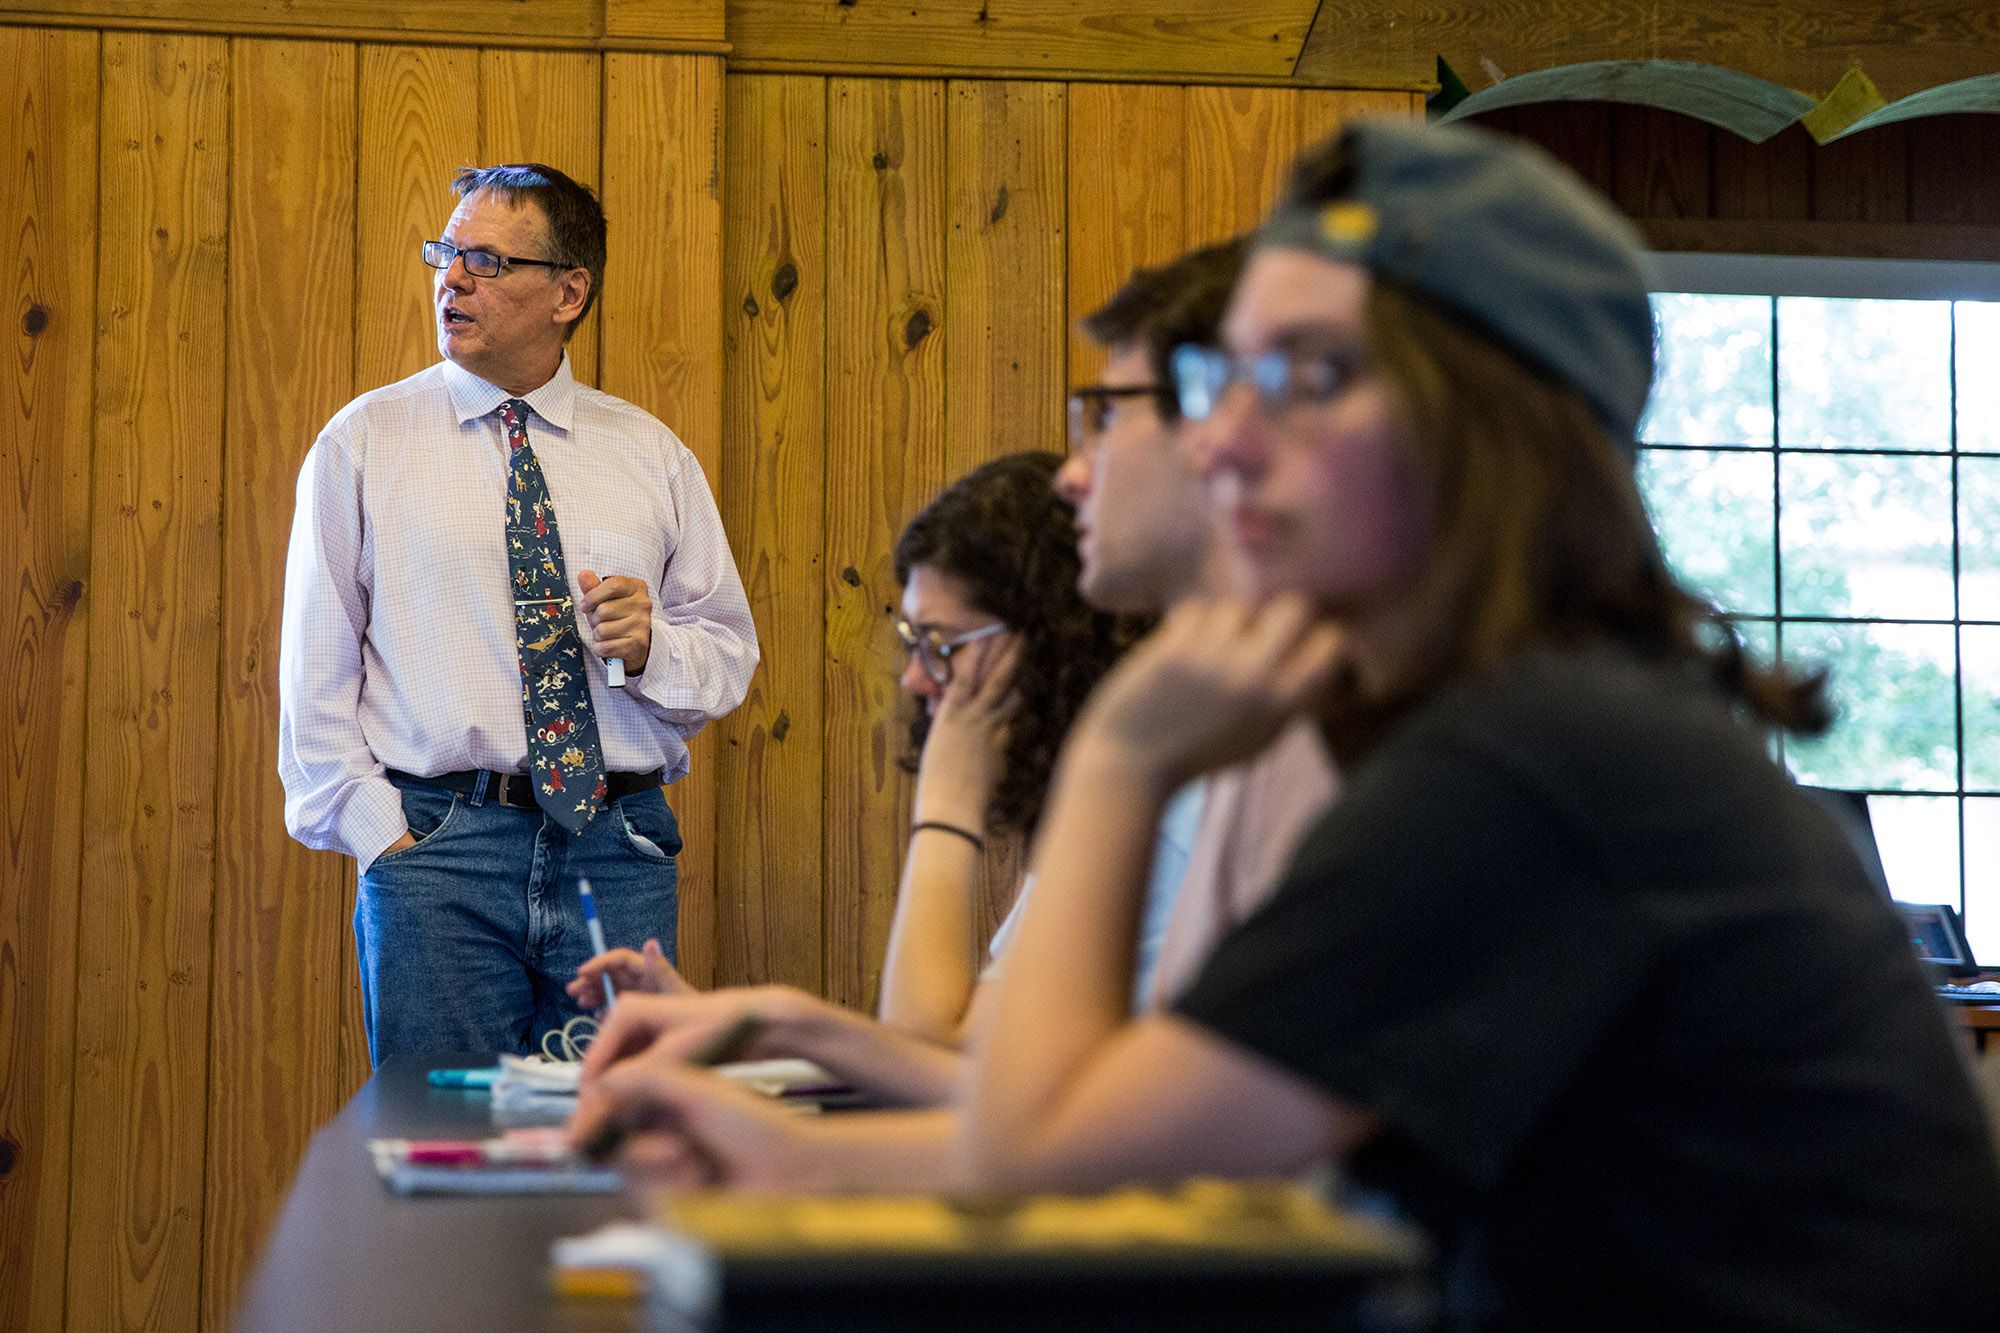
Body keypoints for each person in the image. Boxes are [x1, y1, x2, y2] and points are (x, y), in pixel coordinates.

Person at [959, 119, 2000, 1329]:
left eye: (1307, 376)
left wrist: (1116, 758)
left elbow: (1037, 1173)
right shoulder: (1539, 722)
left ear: (1485, 429)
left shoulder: (1535, 769)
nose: (1224, 442)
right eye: (1217, 380)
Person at [570, 242, 1337, 1188]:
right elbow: (1046, 1106)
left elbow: (1003, 1091)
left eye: (1107, 417)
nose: (1075, 471)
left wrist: (805, 1141)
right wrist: (766, 1032)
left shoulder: (1224, 758)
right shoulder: (1207, 732)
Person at [278, 162, 758, 1065]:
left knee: (615, 1153)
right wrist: (390, 843)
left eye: (487, 262)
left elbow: (725, 653)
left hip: (618, 851)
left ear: (568, 291)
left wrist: (655, 644)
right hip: (440, 853)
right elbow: (314, 679)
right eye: (446, 254)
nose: (450, 281)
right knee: (441, 1167)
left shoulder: (649, 455)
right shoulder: (364, 442)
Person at [568, 452, 1137, 1119]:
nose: (916, 680)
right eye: (912, 642)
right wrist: (739, 1027)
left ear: (1050, 642)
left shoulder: (1153, 826)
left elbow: (935, 1050)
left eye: (942, 645)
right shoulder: (1098, 813)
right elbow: (957, 1067)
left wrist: (947, 810)